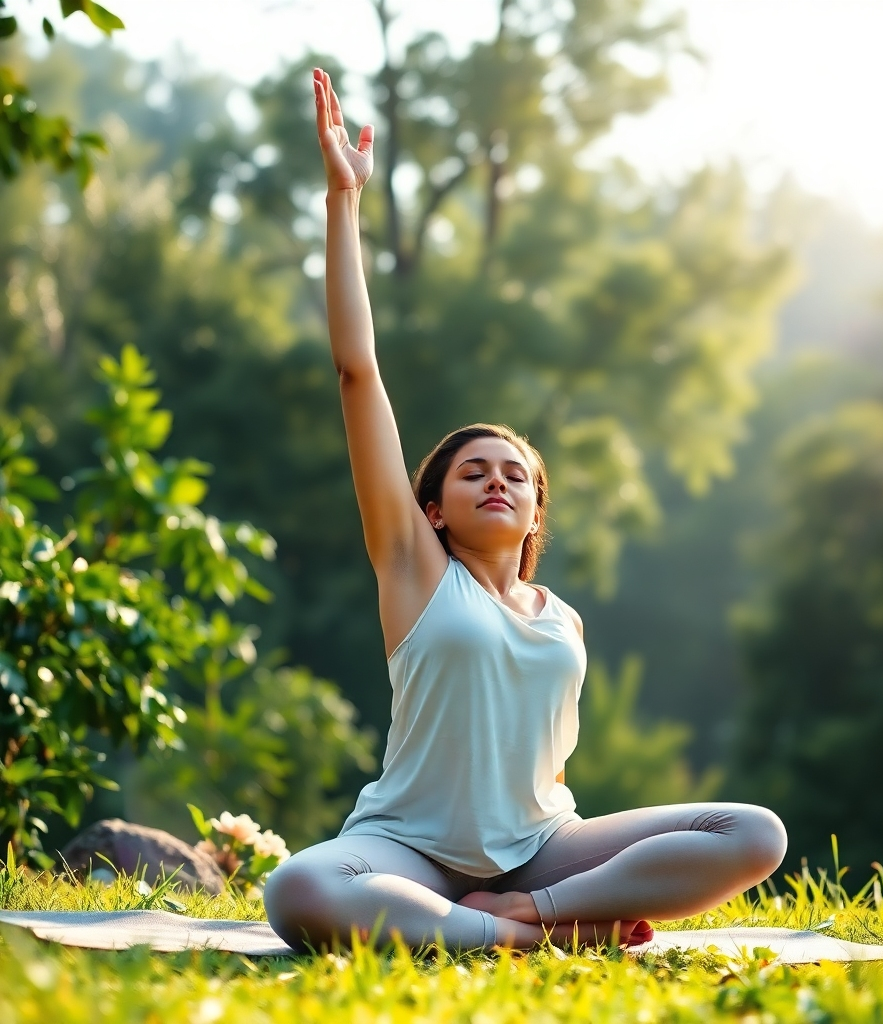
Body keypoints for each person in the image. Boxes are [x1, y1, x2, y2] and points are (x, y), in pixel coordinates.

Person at [262, 67, 787, 953]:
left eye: (515, 473)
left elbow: (538, 767)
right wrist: (342, 203)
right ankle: (528, 936)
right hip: (409, 850)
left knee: (754, 832)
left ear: (538, 508)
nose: (496, 480)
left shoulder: (563, 623)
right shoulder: (417, 573)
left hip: (542, 850)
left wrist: (545, 886)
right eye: (472, 472)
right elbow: (359, 371)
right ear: (431, 509)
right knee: (301, 886)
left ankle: (525, 917)